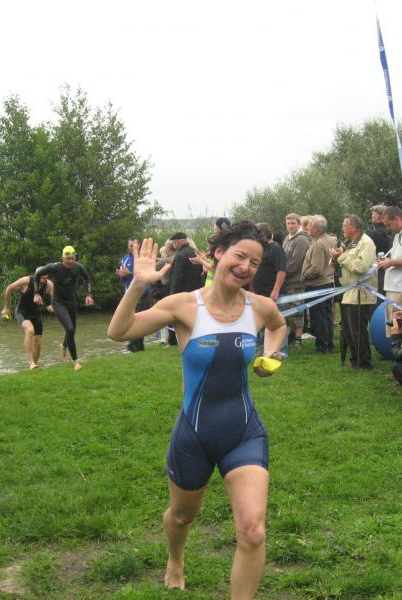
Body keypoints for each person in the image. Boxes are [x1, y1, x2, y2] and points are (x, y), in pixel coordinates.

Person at [107, 223, 287, 598]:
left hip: (244, 432)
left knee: (253, 530)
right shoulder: (185, 306)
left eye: (255, 262)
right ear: (219, 253)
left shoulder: (259, 307)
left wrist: (271, 353)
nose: (246, 267)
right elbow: (119, 332)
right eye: (240, 256)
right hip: (195, 434)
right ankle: (175, 558)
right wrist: (137, 285)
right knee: (181, 516)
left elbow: (278, 324)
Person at [34, 245, 94, 371]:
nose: (71, 261)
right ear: (63, 258)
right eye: (68, 259)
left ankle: (64, 346)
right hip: (58, 302)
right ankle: (76, 362)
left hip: (71, 302)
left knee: (72, 330)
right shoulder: (55, 267)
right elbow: (38, 274)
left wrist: (88, 294)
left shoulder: (78, 267)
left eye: (73, 258)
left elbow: (87, 278)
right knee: (70, 328)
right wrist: (36, 293)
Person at [331, 215, 377, 369]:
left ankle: (363, 362)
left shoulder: (366, 243)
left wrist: (341, 257)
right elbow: (336, 264)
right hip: (348, 291)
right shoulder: (347, 243)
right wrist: (335, 258)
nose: (342, 228)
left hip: (361, 293)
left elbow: (361, 267)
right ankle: (354, 359)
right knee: (349, 330)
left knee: (357, 330)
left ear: (354, 227)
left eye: (345, 225)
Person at [0, 273, 54, 369]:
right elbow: (9, 288)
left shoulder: (49, 285)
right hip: (22, 312)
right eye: (42, 278)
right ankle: (31, 363)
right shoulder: (26, 281)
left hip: (36, 314)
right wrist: (6, 308)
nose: (44, 281)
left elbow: (53, 301)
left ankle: (35, 365)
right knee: (30, 330)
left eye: (46, 278)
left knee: (37, 341)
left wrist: (53, 307)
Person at [301, 215, 336, 353]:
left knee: (319, 317)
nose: (307, 228)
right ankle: (329, 343)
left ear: (316, 229)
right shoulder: (330, 240)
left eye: (309, 226)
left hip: (318, 285)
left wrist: (304, 275)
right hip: (329, 282)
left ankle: (322, 345)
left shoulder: (318, 244)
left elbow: (317, 268)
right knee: (327, 315)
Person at [282, 213, 310, 345]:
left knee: (297, 311)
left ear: (299, 224)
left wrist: (282, 273)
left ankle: (298, 339)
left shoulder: (302, 239)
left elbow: (295, 263)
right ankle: (290, 338)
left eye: (293, 223)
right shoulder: (287, 238)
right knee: (287, 311)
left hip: (297, 281)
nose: (290, 226)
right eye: (288, 223)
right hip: (287, 282)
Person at [116, 236, 147, 352]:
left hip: (142, 292)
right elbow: (123, 279)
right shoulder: (125, 259)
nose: (132, 247)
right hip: (129, 293)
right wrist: (121, 275)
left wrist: (129, 274)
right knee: (130, 318)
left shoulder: (143, 258)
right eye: (130, 245)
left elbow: (145, 275)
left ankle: (135, 346)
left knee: (138, 319)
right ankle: (136, 345)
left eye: (134, 245)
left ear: (139, 245)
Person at [251, 223, 286, 302]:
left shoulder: (276, 248)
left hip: (273, 295)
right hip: (261, 294)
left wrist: (276, 291)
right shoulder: (261, 248)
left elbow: (281, 271)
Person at [169, 232, 204, 298]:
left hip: (183, 294)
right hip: (196, 292)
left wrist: (172, 295)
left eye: (173, 242)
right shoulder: (194, 251)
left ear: (176, 242)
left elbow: (177, 277)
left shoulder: (180, 255)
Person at [367, 205, 391, 296]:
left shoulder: (374, 233)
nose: (371, 216)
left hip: (376, 270)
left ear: (378, 216)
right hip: (390, 268)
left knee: (377, 296)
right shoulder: (392, 232)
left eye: (373, 214)